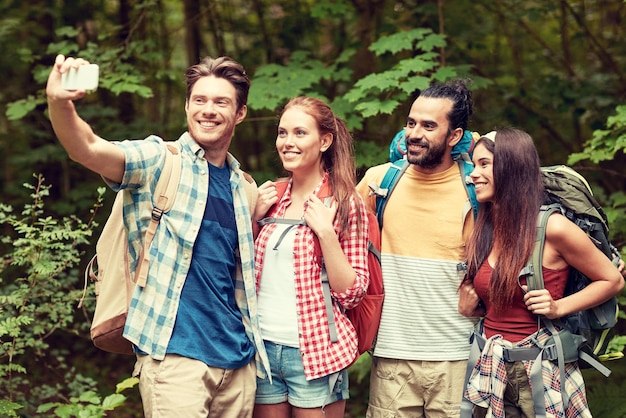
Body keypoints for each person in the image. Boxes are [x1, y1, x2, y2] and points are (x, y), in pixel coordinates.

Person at [46, 54, 270, 418]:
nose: (208, 110)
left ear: (240, 113)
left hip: (239, 365)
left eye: (221, 102)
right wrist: (60, 102)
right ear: (187, 106)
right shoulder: (159, 161)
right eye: (199, 100)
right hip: (175, 359)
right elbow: (86, 147)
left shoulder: (244, 188)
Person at [458, 128, 624, 417]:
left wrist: (558, 306)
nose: (473, 174)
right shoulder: (483, 226)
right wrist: (468, 300)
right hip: (490, 370)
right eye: (474, 164)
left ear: (512, 167)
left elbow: (612, 279)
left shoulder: (553, 228)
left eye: (484, 164)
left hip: (539, 371)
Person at [355, 79, 478, 417]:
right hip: (392, 355)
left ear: (454, 135)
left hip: (457, 355)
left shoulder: (477, 187)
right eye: (411, 123)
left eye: (428, 125)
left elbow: (517, 246)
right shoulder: (379, 182)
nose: (414, 133)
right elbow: (333, 239)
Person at [251, 96, 370, 418]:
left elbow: (354, 291)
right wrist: (252, 219)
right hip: (261, 349)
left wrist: (327, 235)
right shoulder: (270, 198)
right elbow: (240, 273)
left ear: (325, 141)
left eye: (300, 133)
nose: (287, 142)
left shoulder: (345, 202)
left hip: (315, 353)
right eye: (282, 133)